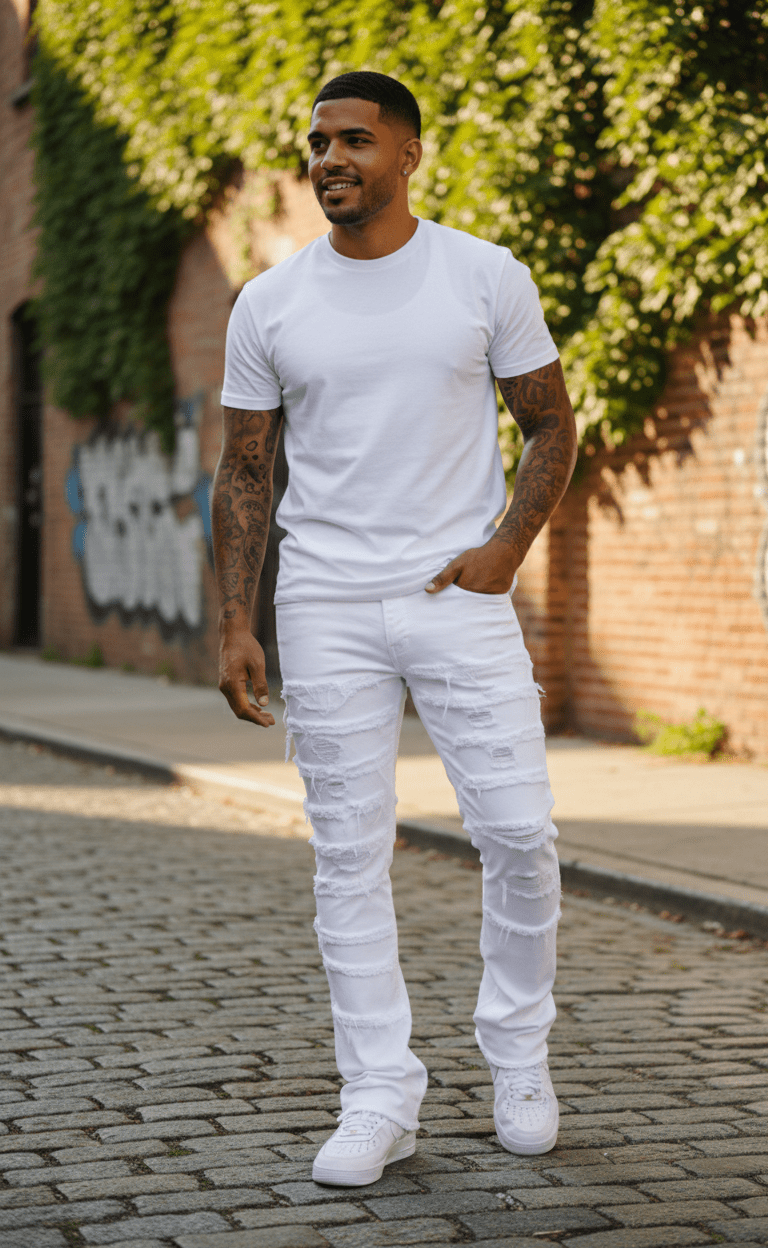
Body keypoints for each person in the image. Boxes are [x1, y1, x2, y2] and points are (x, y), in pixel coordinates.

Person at [212, 70, 578, 1187]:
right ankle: (378, 1094)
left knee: (519, 832)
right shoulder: (269, 302)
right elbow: (244, 468)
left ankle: (518, 1056)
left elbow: (551, 423)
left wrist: (506, 548)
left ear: (409, 154)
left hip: (457, 597)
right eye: (319, 141)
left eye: (356, 141)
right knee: (347, 856)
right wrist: (236, 620)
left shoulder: (483, 274)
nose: (330, 158)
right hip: (324, 604)